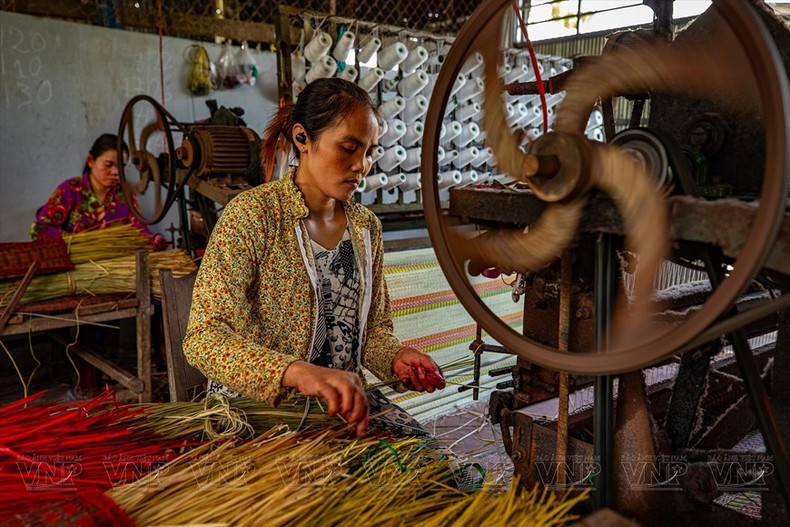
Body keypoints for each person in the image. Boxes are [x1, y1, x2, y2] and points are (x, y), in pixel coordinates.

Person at [183, 78, 445, 437]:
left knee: (435, 472)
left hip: (340, 408)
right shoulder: (254, 215)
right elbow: (204, 338)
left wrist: (396, 358)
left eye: (368, 152)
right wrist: (297, 372)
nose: (361, 166)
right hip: (261, 412)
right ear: (303, 139)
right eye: (348, 148)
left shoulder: (366, 228)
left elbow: (371, 333)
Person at [30, 133, 167, 249]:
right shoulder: (70, 190)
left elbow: (138, 230)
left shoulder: (125, 195)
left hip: (115, 267)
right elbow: (40, 229)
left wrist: (153, 239)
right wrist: (77, 242)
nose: (115, 172)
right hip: (76, 267)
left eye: (121, 166)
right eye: (109, 165)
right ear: (91, 161)